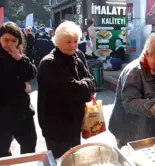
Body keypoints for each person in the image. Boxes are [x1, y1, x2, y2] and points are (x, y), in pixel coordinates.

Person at [109, 33, 155, 147]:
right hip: (132, 135)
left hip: (153, 132)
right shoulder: (134, 72)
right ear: (147, 54)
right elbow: (130, 103)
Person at [37, 21, 95, 158]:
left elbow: (92, 82)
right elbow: (75, 90)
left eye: (75, 41)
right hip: (56, 127)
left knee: (75, 158)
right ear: (57, 42)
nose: (73, 45)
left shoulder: (76, 56)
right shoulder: (49, 63)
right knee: (61, 160)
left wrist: (86, 85)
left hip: (75, 124)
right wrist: (87, 85)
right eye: (68, 42)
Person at [0, 22, 37, 157]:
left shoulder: (20, 56)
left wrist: (19, 59)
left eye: (14, 41)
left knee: (29, 145)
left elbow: (32, 74)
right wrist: (22, 86)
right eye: (6, 40)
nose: (10, 44)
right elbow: (1, 84)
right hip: (1, 114)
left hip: (23, 111)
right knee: (1, 151)